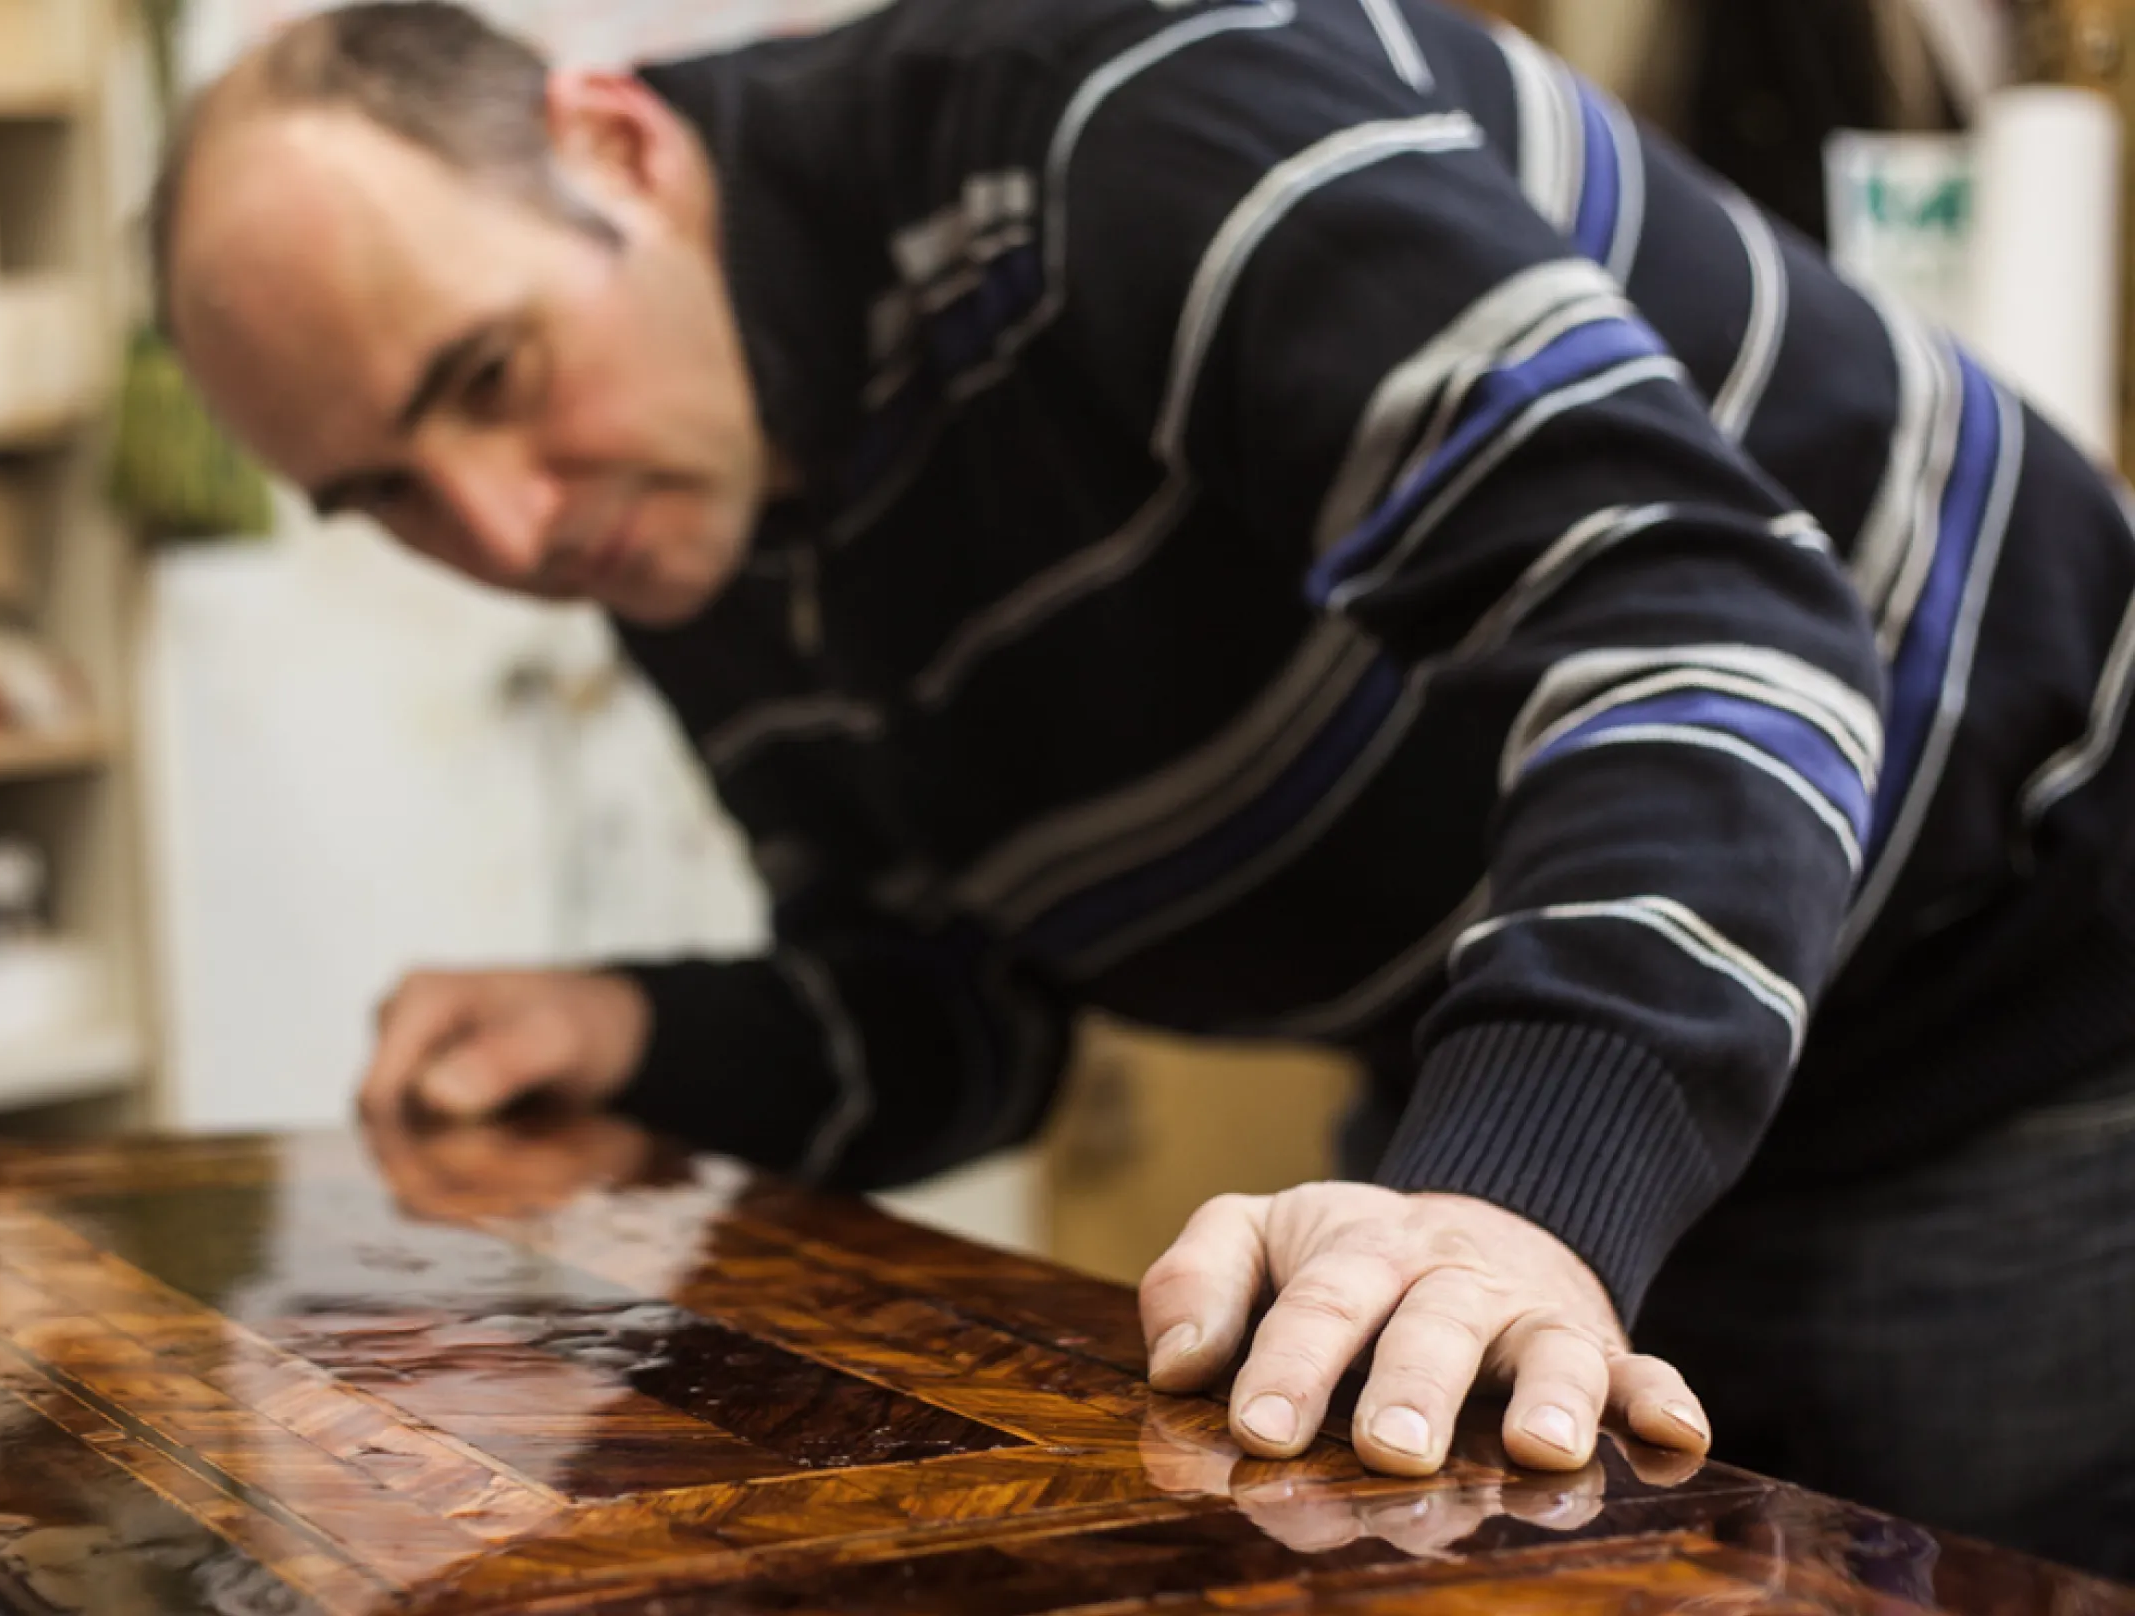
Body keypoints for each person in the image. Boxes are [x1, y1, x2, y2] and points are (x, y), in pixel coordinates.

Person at [153, 0, 2135, 1573]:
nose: (500, 521)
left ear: (619, 144)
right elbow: (972, 1015)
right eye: (386, 497)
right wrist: (639, 1032)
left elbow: (1696, 625)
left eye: (487, 377)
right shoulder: (673, 492)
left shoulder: (1131, 109)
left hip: (2007, 1015)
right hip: (1534, 1078)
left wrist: (1519, 1187)